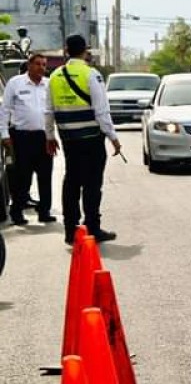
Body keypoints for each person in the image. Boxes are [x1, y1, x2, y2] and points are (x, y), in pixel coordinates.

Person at [45, 34, 121, 245]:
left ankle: (70, 231)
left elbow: (48, 111)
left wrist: (50, 136)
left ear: (66, 51)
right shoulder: (91, 74)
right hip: (91, 139)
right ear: (85, 51)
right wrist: (113, 138)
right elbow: (101, 112)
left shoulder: (55, 76)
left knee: (71, 182)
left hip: (68, 138)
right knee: (92, 185)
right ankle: (93, 228)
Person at [0, 52, 55, 225]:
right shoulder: (15, 84)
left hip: (43, 137)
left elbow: (52, 111)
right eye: (38, 64)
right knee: (22, 177)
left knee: (45, 175)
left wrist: (52, 136)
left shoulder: (48, 85)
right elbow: (5, 110)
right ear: (29, 65)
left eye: (44, 65)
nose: (41, 68)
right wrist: (4, 134)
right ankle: (17, 211)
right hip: (21, 136)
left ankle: (44, 211)